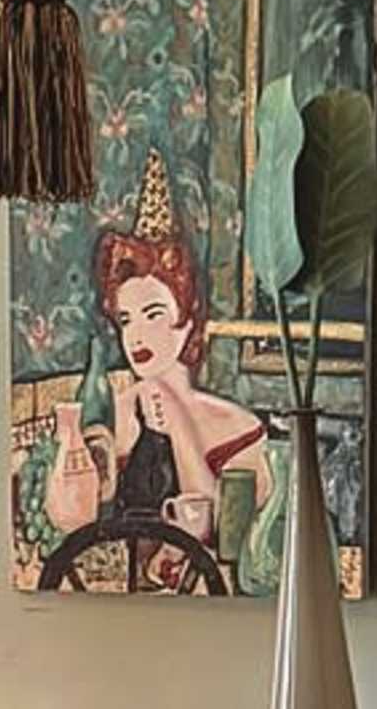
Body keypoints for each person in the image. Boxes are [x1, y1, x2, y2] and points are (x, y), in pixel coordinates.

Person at [40, 205, 271, 566]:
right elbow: (84, 523)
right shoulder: (115, 414)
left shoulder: (239, 427)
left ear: (188, 318)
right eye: (126, 320)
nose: (136, 336)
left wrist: (178, 424)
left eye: (153, 315)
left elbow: (219, 538)